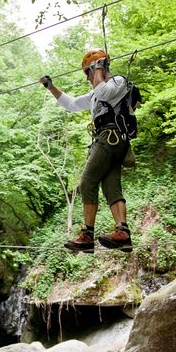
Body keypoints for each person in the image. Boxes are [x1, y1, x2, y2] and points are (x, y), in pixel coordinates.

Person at [40, 49, 132, 252]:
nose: (88, 78)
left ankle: (87, 235)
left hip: (110, 138)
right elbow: (71, 104)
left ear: (95, 68)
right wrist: (50, 87)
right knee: (111, 188)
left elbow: (104, 91)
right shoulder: (94, 94)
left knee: (88, 181)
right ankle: (123, 233)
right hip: (113, 142)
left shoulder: (118, 82)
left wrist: (99, 68)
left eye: (87, 73)